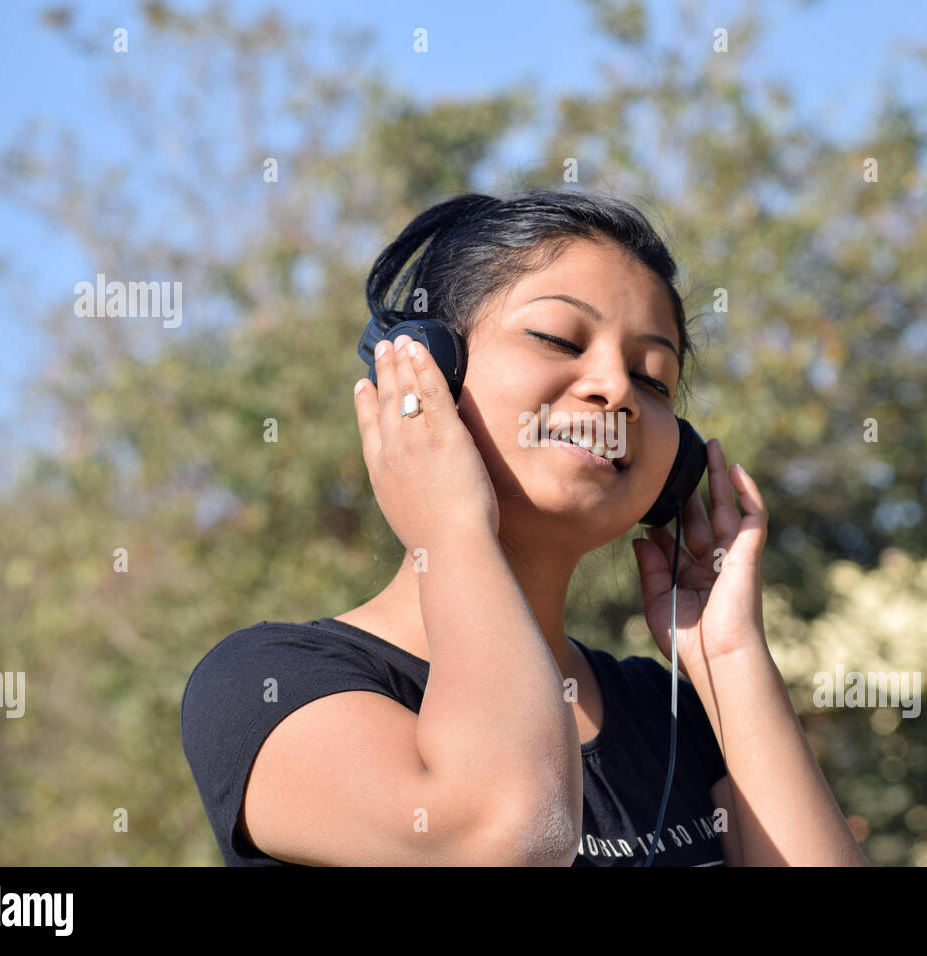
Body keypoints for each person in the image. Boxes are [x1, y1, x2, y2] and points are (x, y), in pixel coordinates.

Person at [180, 189, 870, 867]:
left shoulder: (674, 720)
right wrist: (451, 529)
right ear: (426, 369)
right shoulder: (266, 683)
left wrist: (729, 658)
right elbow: (509, 838)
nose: (615, 388)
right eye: (558, 338)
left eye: (652, 377)